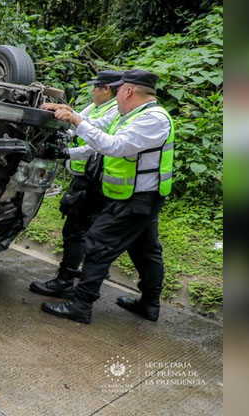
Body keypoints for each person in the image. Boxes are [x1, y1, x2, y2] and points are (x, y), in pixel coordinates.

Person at [44, 69, 174, 324]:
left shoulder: (153, 119)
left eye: (119, 91)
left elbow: (113, 147)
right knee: (145, 250)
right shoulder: (133, 115)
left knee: (98, 243)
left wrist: (76, 122)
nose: (116, 97)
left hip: (138, 199)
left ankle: (81, 305)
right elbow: (98, 132)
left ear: (127, 91)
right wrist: (71, 118)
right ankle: (149, 305)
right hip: (138, 196)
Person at [29, 70, 122, 299]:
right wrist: (63, 113)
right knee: (87, 230)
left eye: (95, 87)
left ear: (106, 88)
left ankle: (65, 281)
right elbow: (78, 120)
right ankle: (87, 272)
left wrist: (65, 152)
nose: (92, 91)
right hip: (87, 177)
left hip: (94, 180)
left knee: (75, 230)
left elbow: (94, 139)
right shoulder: (98, 107)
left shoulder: (114, 111)